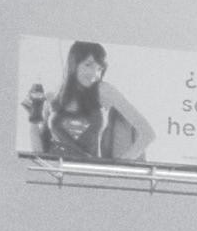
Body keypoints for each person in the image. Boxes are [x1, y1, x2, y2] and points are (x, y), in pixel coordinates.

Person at [25, 40, 155, 162]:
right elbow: (39, 151)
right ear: (73, 64)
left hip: (87, 170)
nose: (95, 74)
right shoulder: (53, 97)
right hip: (57, 170)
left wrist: (119, 166)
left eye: (99, 69)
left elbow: (148, 134)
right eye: (88, 65)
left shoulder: (103, 90)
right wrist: (32, 118)